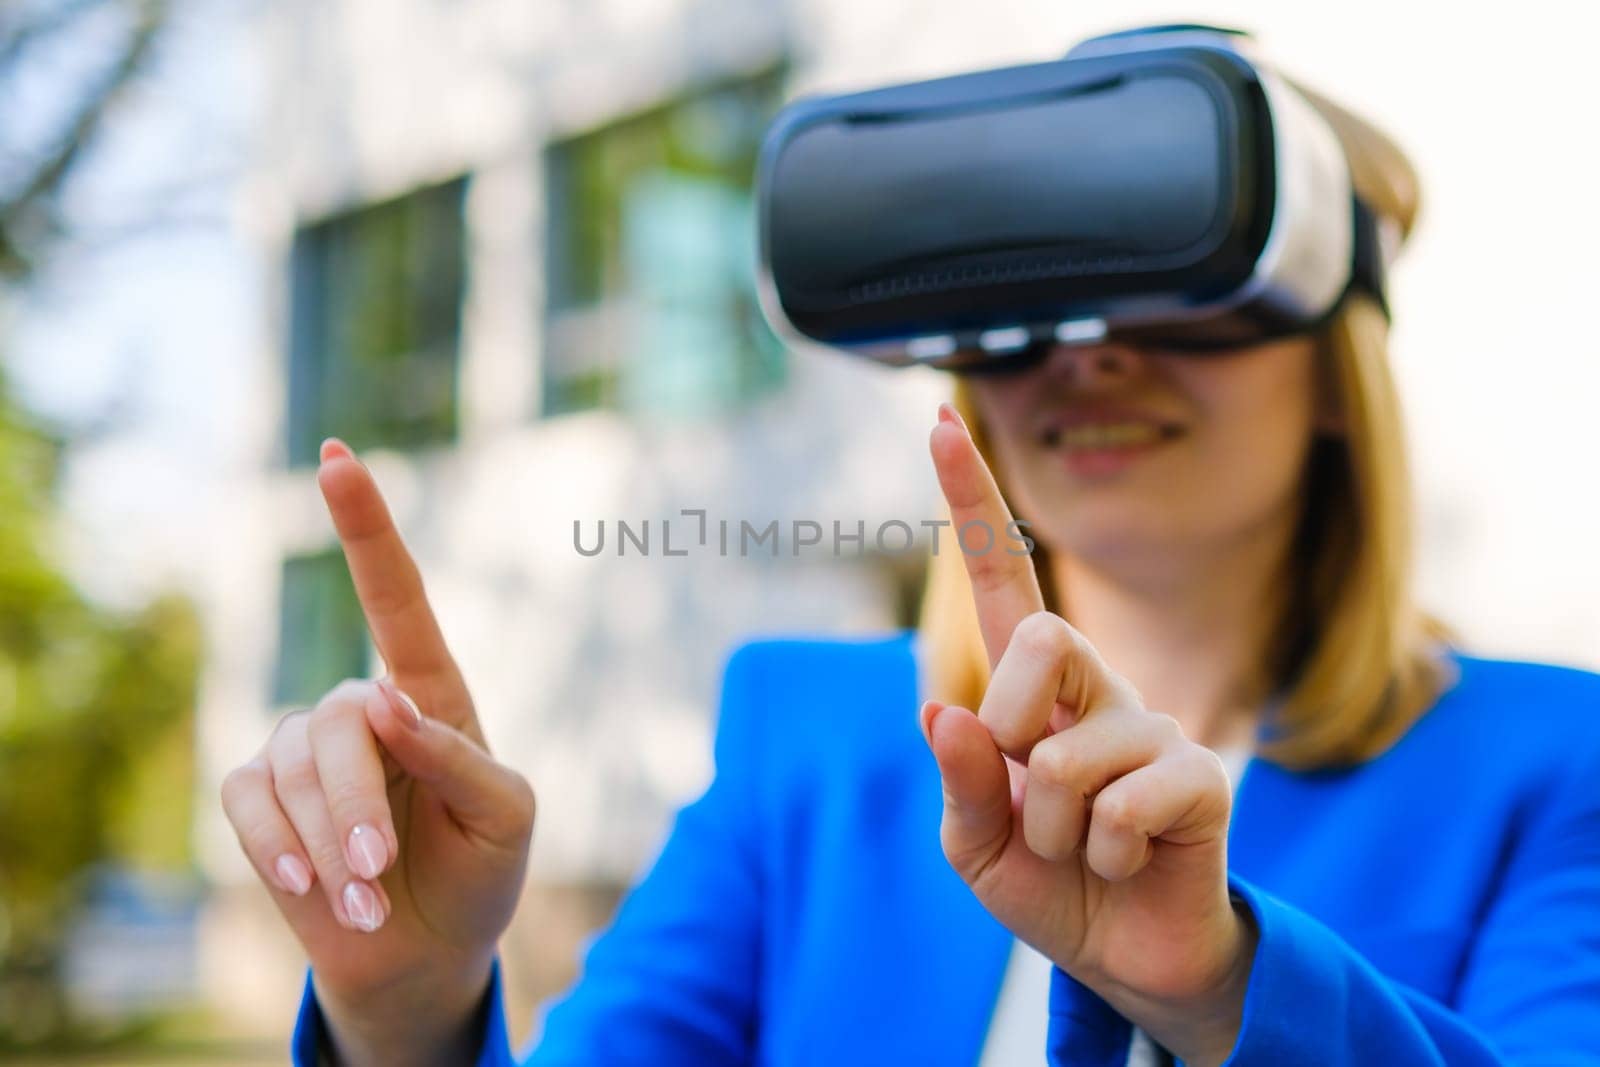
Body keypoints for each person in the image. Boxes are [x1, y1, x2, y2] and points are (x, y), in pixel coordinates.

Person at [220, 25, 1600, 1067]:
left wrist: (1223, 984)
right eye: (1029, 298)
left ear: (1333, 375)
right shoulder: (806, 736)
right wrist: (402, 1008)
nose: (1090, 353)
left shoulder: (1553, 766)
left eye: (1173, 284)